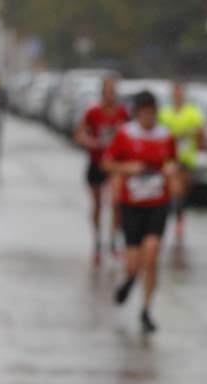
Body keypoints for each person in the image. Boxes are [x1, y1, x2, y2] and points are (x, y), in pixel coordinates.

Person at [102, 91, 179, 334]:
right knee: (134, 263)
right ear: (137, 113)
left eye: (152, 113)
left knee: (152, 255)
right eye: (145, 113)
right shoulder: (125, 134)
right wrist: (128, 168)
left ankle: (146, 310)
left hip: (157, 203)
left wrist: (170, 170)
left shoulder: (165, 136)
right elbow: (107, 163)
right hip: (132, 204)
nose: (149, 117)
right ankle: (129, 280)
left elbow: (173, 163)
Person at [75, 75, 129, 264]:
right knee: (98, 205)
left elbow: (129, 134)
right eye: (107, 91)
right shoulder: (93, 112)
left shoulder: (122, 113)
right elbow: (79, 134)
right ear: (102, 92)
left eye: (113, 91)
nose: (110, 94)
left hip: (114, 165)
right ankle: (97, 241)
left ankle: (113, 241)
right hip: (96, 163)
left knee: (116, 203)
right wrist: (91, 142)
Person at [158, 81, 206, 242]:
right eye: (175, 93)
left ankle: (180, 218)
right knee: (174, 190)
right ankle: (172, 220)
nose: (177, 96)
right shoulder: (164, 113)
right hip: (169, 160)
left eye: (180, 93)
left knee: (183, 192)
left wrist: (199, 146)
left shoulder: (192, 112)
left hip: (187, 158)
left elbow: (201, 132)